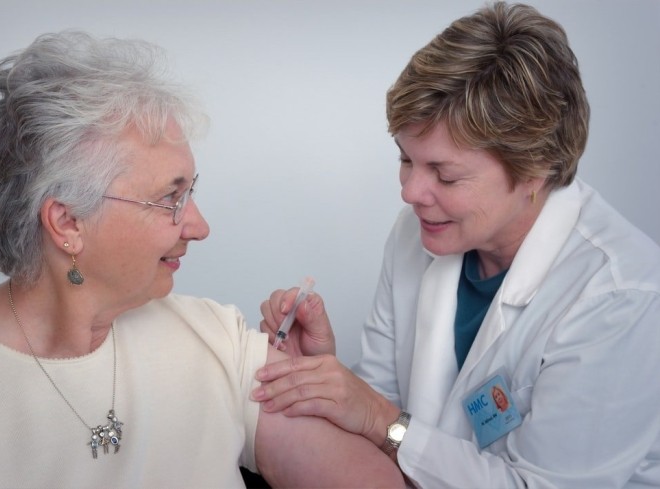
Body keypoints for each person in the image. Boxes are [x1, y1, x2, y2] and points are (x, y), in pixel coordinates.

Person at [0, 31, 405, 489]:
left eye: (189, 191)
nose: (198, 226)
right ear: (67, 224)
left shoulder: (216, 342)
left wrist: (321, 394)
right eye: (169, 198)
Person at [252, 2, 660, 488]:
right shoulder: (416, 234)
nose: (410, 192)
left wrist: (380, 418)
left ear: (534, 169)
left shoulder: (621, 296)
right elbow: (374, 415)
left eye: (444, 174)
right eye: (406, 159)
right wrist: (324, 377)